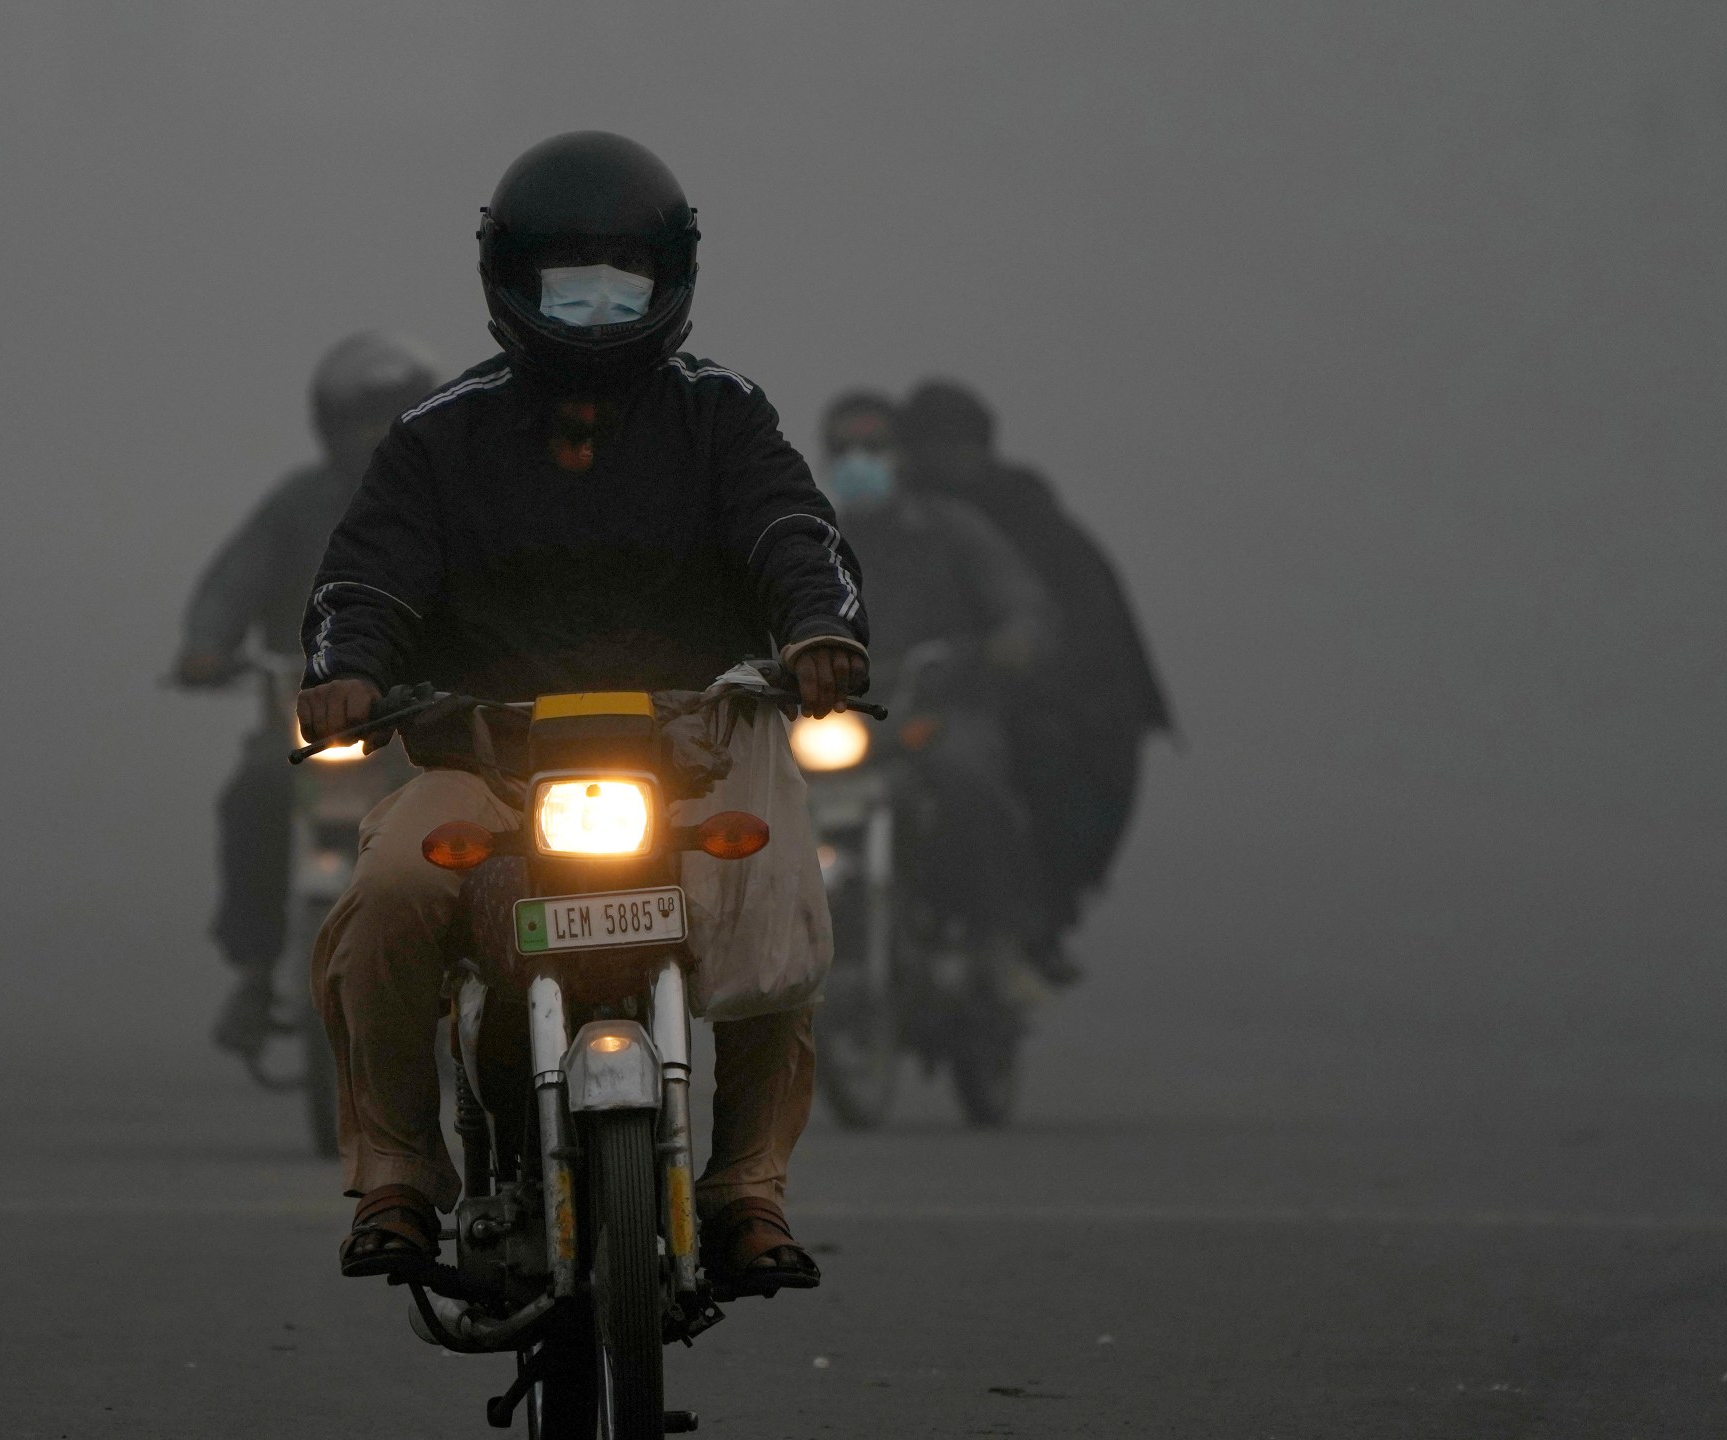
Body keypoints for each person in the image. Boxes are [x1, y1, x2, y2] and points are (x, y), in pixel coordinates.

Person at [294, 131, 868, 1295]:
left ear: (672, 278)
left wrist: (817, 630)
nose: (598, 310)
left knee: (776, 906)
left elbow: (791, 532)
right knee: (392, 892)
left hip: (703, 749)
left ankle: (747, 1189)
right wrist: (348, 667)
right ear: (509, 281)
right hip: (487, 756)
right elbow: (366, 579)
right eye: (570, 282)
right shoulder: (435, 437)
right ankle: (398, 1173)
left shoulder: (722, 417)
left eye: (624, 282)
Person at [171, 332, 442, 1056]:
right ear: (329, 423)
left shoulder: (459, 501)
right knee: (256, 793)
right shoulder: (295, 505)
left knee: (496, 804)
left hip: (431, 718)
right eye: (362, 420)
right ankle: (258, 970)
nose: (375, 437)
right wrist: (205, 646)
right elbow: (232, 583)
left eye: (392, 417)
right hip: (310, 717)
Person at [899, 379, 1171, 974]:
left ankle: (1023, 927)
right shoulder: (884, 523)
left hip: (1019, 703)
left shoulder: (1028, 522)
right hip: (896, 704)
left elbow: (1080, 633)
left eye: (956, 442)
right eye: (930, 443)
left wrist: (1020, 667)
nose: (944, 457)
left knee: (1035, 769)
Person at [815, 390, 1061, 954]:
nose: (859, 458)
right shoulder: (813, 539)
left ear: (901, 454)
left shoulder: (952, 531)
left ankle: (997, 944)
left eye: (873, 446)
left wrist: (1009, 645)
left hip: (937, 712)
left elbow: (1024, 605)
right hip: (841, 722)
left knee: (967, 779)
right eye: (845, 447)